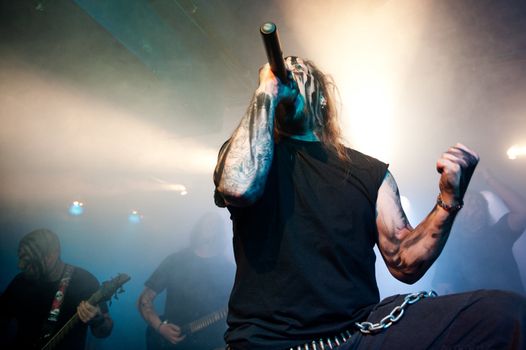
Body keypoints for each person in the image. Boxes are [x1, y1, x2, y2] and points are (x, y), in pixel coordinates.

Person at [213, 56, 526, 349]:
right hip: (267, 341)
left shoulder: (369, 173)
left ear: (321, 98)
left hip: (357, 334)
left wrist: (449, 197)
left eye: (295, 76)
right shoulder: (249, 156)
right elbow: (238, 188)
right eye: (279, 75)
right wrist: (266, 90)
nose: (284, 80)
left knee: (503, 313)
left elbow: (404, 261)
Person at [0, 228, 113, 349]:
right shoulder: (20, 281)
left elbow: (103, 332)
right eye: (21, 258)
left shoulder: (84, 281)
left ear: (52, 255)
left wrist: (97, 319)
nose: (20, 266)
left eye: (30, 261)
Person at [137, 212, 235, 350]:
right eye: (207, 223)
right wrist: (160, 328)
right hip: (171, 343)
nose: (210, 227)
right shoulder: (175, 260)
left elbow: (235, 313)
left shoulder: (228, 269)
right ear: (198, 228)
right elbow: (144, 300)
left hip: (212, 343)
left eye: (215, 224)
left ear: (221, 232)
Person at [433, 170, 526, 295]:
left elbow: (522, 211)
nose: (477, 206)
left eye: (479, 203)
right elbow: (443, 287)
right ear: (458, 213)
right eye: (470, 203)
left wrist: (490, 179)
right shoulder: (451, 247)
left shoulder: (499, 233)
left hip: (513, 308)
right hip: (476, 311)